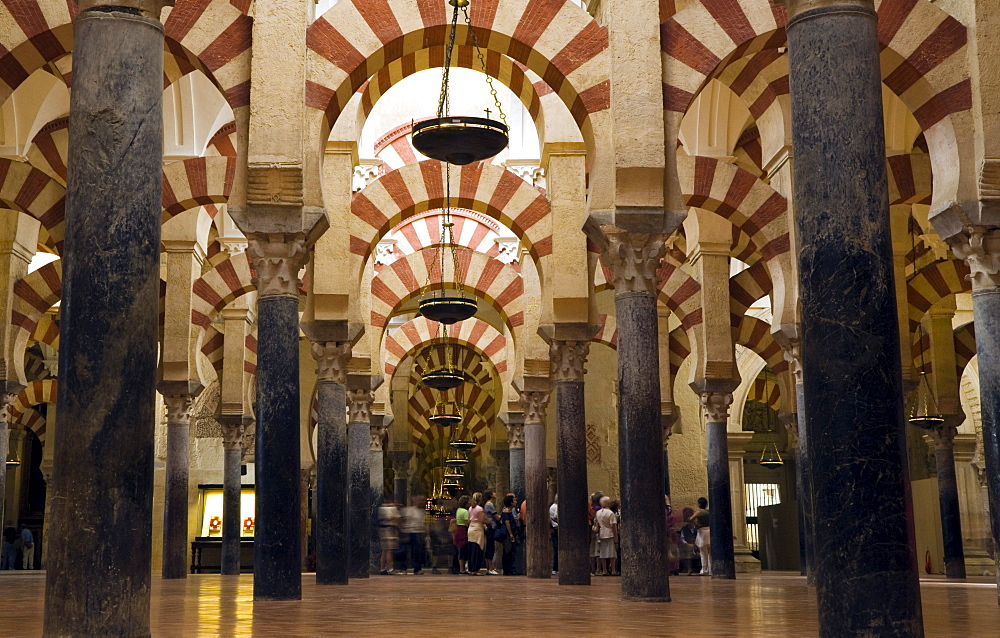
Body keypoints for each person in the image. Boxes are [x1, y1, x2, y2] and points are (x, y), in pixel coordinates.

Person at [399, 495, 426, 574]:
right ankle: (403, 568)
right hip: (408, 532)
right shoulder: (408, 510)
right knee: (404, 551)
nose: (422, 502)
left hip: (417, 532)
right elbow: (404, 521)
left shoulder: (422, 512)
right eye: (421, 500)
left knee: (417, 552)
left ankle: (417, 569)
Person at [595, 497, 618, 576]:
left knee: (603, 553)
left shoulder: (598, 512)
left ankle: (604, 570)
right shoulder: (610, 513)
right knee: (612, 553)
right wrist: (615, 536)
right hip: (610, 533)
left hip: (602, 533)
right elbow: (613, 525)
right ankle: (613, 570)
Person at [377, 495, 400, 575]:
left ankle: (382, 568)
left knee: (385, 550)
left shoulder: (381, 508)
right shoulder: (389, 508)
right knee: (389, 550)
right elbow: (393, 518)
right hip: (389, 530)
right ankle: (390, 568)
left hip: (384, 530)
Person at [467, 492, 486, 575]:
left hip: (471, 528)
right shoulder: (479, 509)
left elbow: (468, 520)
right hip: (478, 529)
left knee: (471, 549)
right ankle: (475, 569)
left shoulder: (470, 508)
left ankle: (471, 568)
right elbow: (482, 519)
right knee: (478, 549)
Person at [500, 494, 518, 575]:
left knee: (511, 551)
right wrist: (510, 533)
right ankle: (508, 569)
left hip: (511, 532)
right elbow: (507, 523)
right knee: (508, 550)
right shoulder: (506, 511)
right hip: (508, 534)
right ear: (510, 502)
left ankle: (510, 568)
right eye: (514, 500)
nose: (515, 501)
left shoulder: (510, 511)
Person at [693, 497, 711, 576]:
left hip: (702, 531)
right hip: (710, 531)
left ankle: (704, 570)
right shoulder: (709, 512)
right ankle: (711, 570)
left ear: (699, 504)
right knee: (711, 553)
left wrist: (696, 525)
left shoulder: (699, 512)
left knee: (703, 552)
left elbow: (691, 519)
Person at [483, 490, 499, 575]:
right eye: (494, 492)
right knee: (490, 547)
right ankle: (490, 568)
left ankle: (489, 568)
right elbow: (496, 516)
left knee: (490, 547)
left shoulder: (488, 504)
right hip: (491, 528)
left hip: (490, 528)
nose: (495, 493)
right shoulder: (489, 504)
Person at [679, 507, 699, 575]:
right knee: (687, 551)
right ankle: (689, 568)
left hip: (697, 545)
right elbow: (682, 539)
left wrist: (695, 544)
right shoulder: (684, 529)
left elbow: (699, 537)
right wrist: (688, 544)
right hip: (688, 546)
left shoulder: (697, 528)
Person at [453, 495, 470, 574]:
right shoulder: (465, 511)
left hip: (458, 530)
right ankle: (463, 569)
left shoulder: (458, 510)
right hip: (463, 530)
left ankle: (461, 568)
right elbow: (467, 523)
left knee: (460, 549)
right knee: (464, 550)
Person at [589, 492, 603, 574]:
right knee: (597, 550)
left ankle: (592, 568)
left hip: (592, 530)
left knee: (592, 549)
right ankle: (597, 568)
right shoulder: (598, 509)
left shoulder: (591, 507)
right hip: (597, 531)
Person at [549, 494, 559, 575]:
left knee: (556, 548)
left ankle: (555, 568)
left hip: (554, 528)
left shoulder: (551, 506)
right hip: (556, 528)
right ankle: (556, 568)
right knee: (557, 549)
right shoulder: (556, 507)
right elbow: (556, 516)